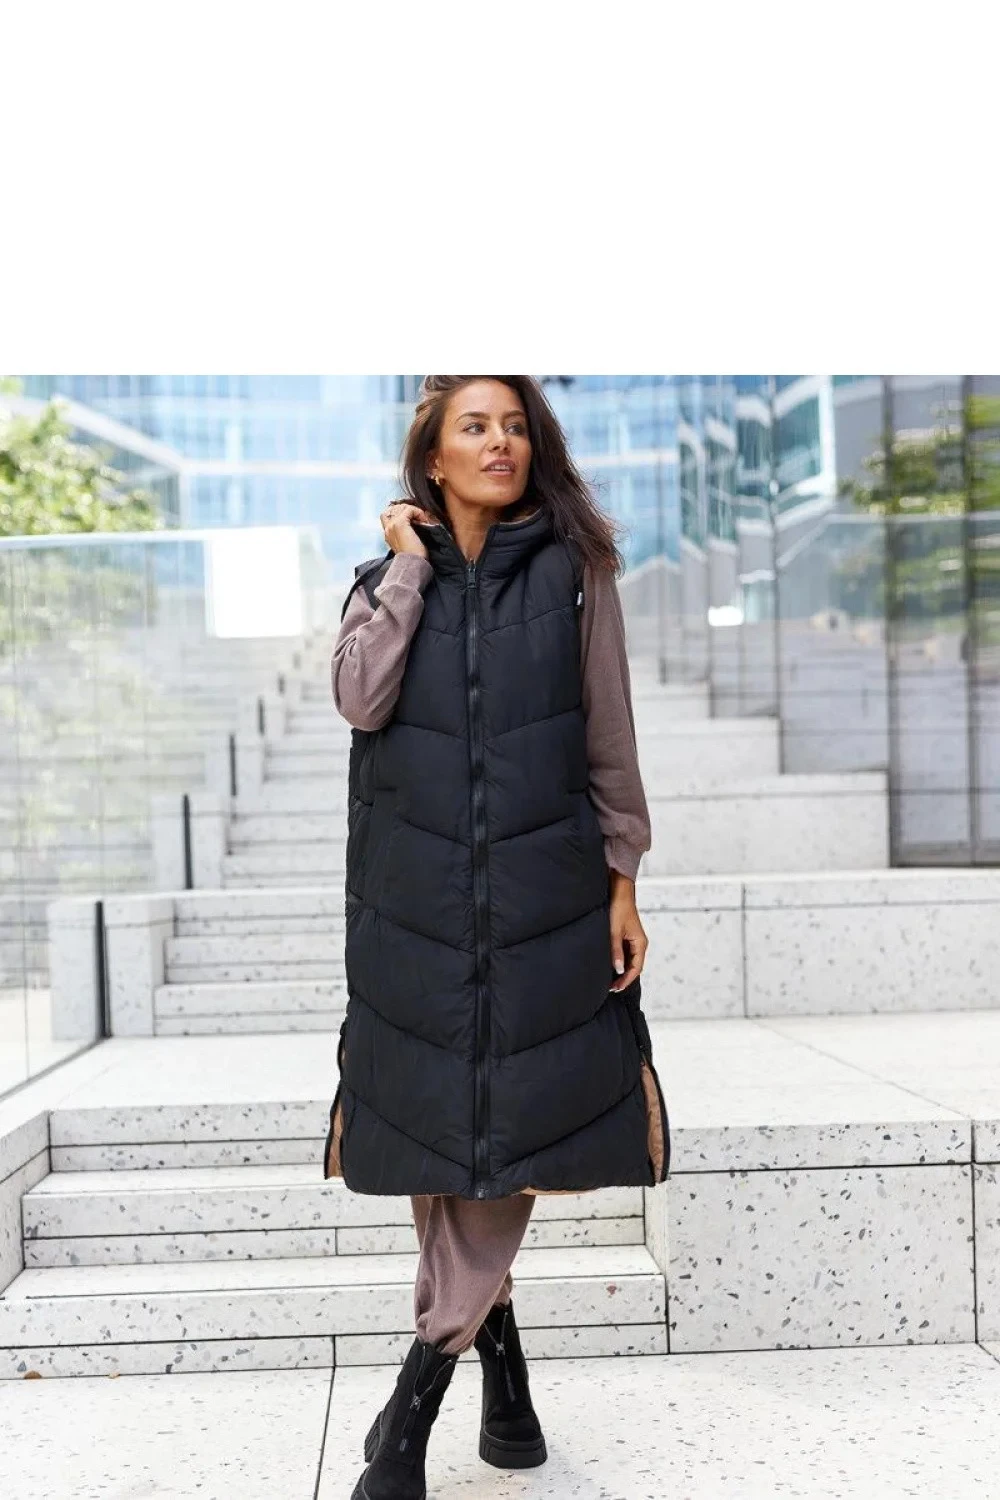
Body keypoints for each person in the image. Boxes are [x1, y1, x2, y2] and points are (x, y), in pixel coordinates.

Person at [324, 375, 670, 1500]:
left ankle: (412, 1411)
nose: (500, 442)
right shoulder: (383, 581)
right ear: (433, 456)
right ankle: (507, 1393)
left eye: (515, 425)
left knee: (502, 1137)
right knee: (445, 1143)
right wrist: (410, 572)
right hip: (413, 900)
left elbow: (609, 731)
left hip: (543, 896)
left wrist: (622, 879)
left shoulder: (574, 573)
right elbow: (358, 699)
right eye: (475, 426)